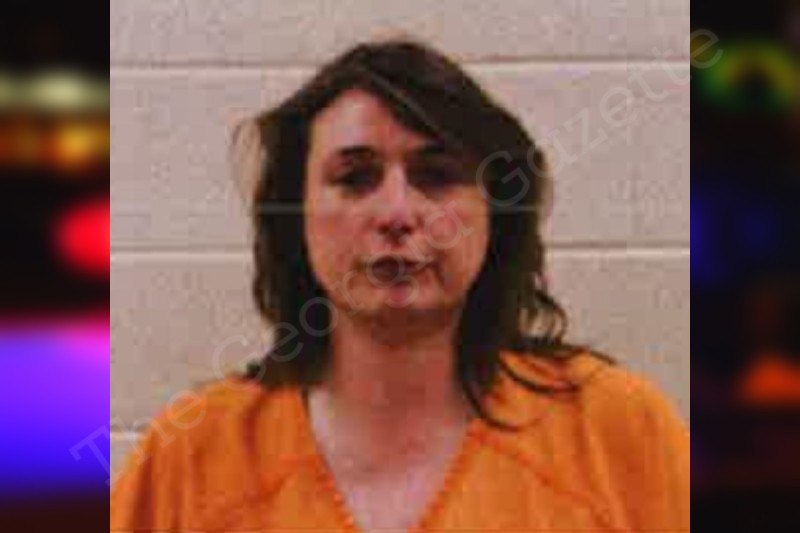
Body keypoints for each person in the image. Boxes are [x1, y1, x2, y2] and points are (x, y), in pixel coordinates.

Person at [111, 39, 689, 533]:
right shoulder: (190, 458)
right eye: (355, 178)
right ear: (295, 217)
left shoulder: (619, 435)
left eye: (436, 176)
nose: (396, 213)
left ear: (495, 213)